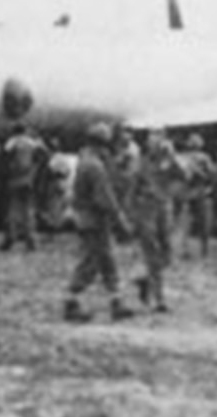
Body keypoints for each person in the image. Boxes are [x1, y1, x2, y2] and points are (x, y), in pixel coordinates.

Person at [65, 124, 135, 323]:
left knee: (107, 262)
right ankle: (71, 301)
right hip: (94, 220)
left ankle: (117, 301)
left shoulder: (85, 161)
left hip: (88, 218)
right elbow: (105, 199)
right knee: (90, 262)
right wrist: (120, 222)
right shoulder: (95, 166)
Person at [131, 130, 185, 312]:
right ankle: (159, 298)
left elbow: (183, 176)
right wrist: (130, 216)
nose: (154, 146)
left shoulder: (168, 161)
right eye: (151, 142)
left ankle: (145, 279)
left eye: (158, 142)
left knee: (168, 253)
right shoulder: (142, 163)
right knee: (152, 253)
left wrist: (173, 156)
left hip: (164, 208)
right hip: (146, 209)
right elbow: (132, 189)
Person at [2, 124, 44, 250]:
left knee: (13, 209)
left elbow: (5, 157)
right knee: (28, 210)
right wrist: (35, 170)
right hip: (29, 179)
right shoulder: (32, 143)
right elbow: (41, 156)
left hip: (14, 179)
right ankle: (31, 239)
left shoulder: (11, 142)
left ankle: (11, 237)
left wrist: (8, 171)